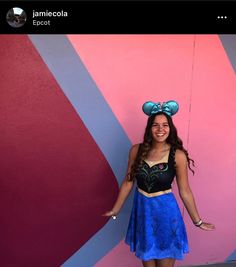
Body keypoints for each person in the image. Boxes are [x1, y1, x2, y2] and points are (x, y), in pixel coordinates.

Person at [103, 100, 215, 267]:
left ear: (170, 128)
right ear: (149, 128)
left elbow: (185, 191)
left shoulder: (177, 155)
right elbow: (128, 182)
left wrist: (197, 221)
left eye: (165, 125)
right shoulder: (136, 150)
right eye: (155, 125)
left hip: (166, 217)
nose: (160, 129)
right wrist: (115, 210)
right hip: (143, 215)